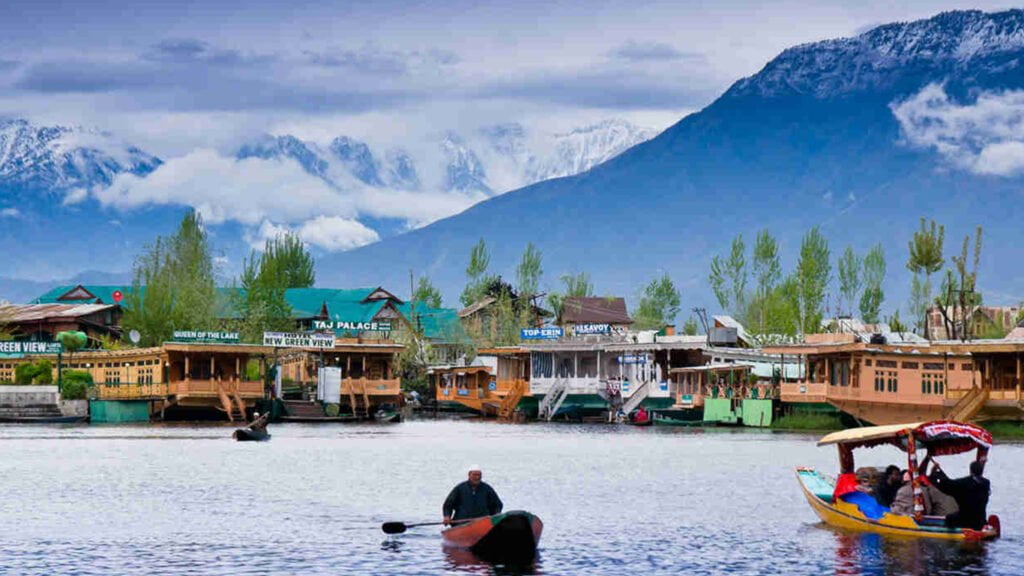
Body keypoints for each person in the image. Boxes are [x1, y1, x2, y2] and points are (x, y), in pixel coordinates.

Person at [929, 460, 991, 530]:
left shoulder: (964, 483)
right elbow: (951, 484)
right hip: (980, 520)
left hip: (965, 520)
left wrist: (936, 473)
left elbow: (948, 485)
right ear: (982, 471)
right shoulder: (986, 483)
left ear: (970, 470)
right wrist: (940, 473)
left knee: (949, 518)